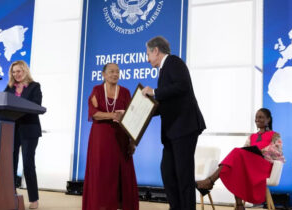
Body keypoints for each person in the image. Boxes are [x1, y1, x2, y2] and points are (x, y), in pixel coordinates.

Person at [142, 36, 206, 210]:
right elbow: (166, 105)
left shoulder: (173, 62)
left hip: (184, 128)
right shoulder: (163, 70)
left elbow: (182, 86)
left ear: (156, 51)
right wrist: (137, 114)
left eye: (148, 54)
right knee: (168, 172)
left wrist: (154, 92)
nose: (147, 59)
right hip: (173, 131)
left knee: (183, 176)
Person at [196, 108, 285, 210]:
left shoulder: (275, 135)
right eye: (256, 117)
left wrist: (261, 151)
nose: (257, 119)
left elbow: (278, 152)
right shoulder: (251, 137)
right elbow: (245, 151)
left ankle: (210, 181)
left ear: (268, 119)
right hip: (252, 165)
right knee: (237, 162)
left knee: (236, 152)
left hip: (265, 167)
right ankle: (239, 205)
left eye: (261, 117)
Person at [82, 63, 138, 210]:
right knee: (102, 173)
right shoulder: (97, 90)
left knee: (122, 175)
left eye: (117, 72)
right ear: (104, 75)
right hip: (100, 139)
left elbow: (132, 118)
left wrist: (132, 141)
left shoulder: (125, 92)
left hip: (121, 138)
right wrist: (113, 115)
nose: (115, 74)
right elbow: (94, 113)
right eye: (111, 71)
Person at [4, 60, 42, 209]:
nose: (16, 74)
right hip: (12, 129)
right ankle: (11, 195)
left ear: (25, 71)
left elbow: (36, 104)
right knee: (10, 164)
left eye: (19, 71)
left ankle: (34, 199)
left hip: (29, 128)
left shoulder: (34, 86)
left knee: (28, 164)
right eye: (13, 72)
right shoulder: (9, 88)